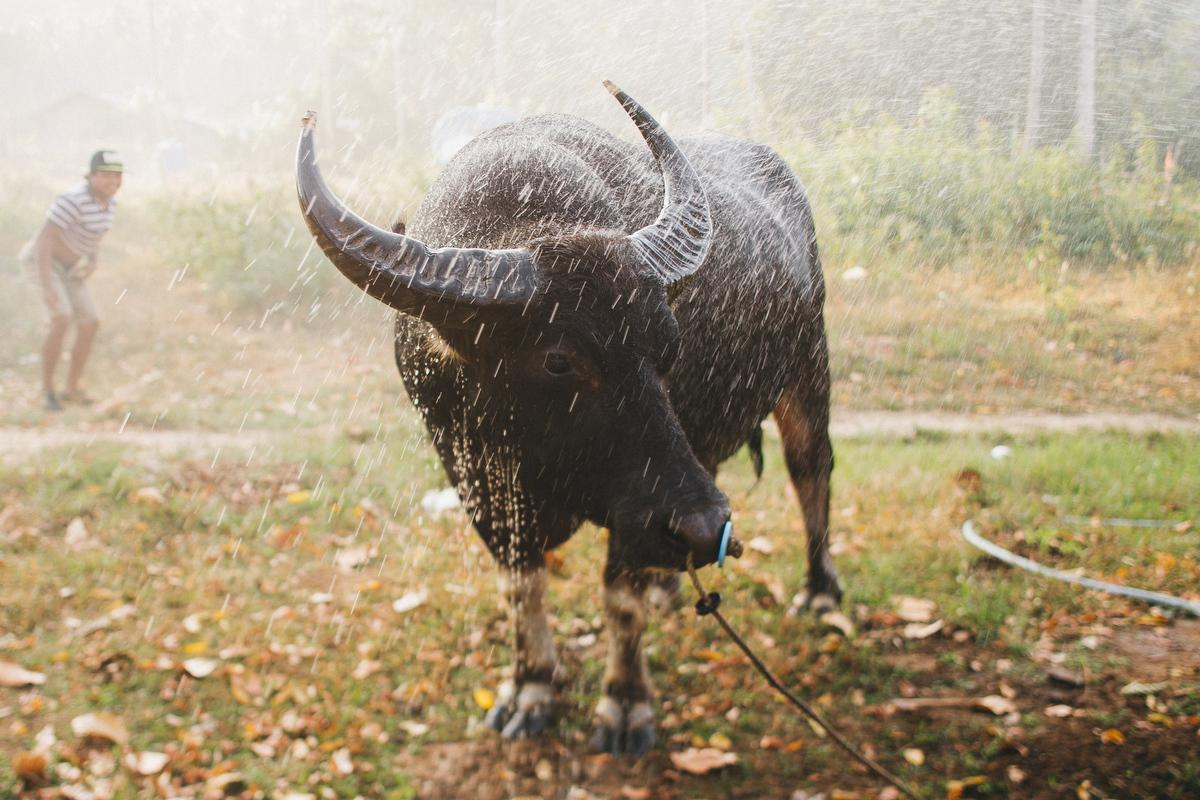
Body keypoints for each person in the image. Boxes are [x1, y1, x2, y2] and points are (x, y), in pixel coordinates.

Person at [22, 150, 123, 411]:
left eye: (117, 175)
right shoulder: (72, 200)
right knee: (62, 317)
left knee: (91, 321)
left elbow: (93, 235)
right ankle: (47, 391)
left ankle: (72, 388)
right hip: (43, 263)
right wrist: (47, 286)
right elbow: (45, 239)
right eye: (106, 175)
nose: (113, 181)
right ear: (90, 176)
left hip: (70, 268)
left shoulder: (109, 203)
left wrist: (92, 261)